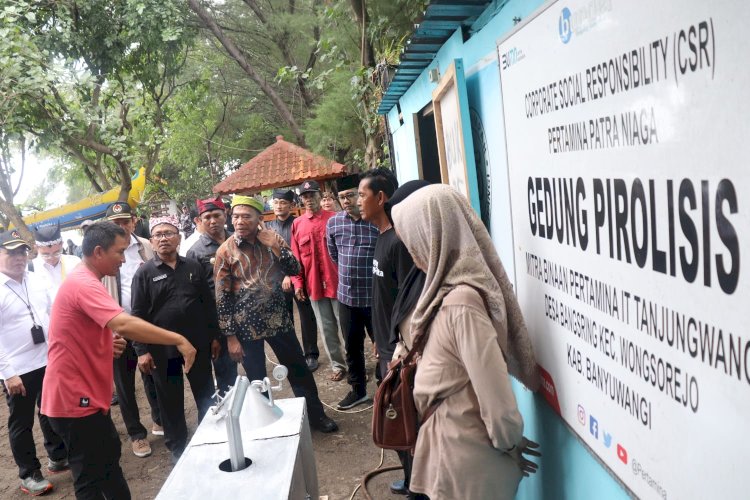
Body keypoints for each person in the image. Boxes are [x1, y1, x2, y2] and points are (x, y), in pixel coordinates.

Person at [391, 184, 541, 499]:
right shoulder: (439, 291)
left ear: (433, 235)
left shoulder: (461, 302)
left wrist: (510, 442)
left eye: (412, 237)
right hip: (446, 451)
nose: (410, 248)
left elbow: (497, 402)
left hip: (466, 466)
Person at [41, 221, 196, 500]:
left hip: (86, 396)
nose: (124, 260)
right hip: (73, 399)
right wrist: (178, 339)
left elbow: (80, 331)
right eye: (119, 252)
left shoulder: (89, 280)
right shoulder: (83, 283)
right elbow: (124, 323)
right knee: (90, 477)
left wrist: (102, 343)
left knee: (109, 463)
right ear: (99, 252)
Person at [214, 196, 338, 433]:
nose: (240, 221)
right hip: (246, 327)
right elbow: (222, 297)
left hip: (279, 320)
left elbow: (295, 270)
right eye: (236, 216)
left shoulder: (273, 239)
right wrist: (230, 337)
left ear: (259, 219)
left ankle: (316, 417)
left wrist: (276, 247)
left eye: (246, 216)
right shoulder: (225, 251)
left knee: (299, 370)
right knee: (258, 380)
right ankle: (266, 425)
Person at [131, 215, 219, 464]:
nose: (163, 238)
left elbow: (207, 304)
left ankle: (209, 435)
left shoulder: (193, 266)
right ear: (151, 241)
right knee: (170, 399)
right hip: (162, 349)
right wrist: (141, 351)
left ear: (179, 238)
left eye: (169, 233)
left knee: (205, 392)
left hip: (198, 344)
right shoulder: (145, 274)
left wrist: (214, 336)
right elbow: (137, 315)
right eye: (158, 235)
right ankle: (177, 445)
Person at [0, 230, 68, 496]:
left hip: (48, 359)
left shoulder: (35, 280)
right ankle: (28, 473)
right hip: (18, 369)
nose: (18, 258)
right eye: (11, 253)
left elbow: (53, 314)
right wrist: (7, 373)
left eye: (21, 252)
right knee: (21, 422)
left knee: (50, 410)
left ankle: (57, 456)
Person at [103, 202, 162, 458]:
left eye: (125, 221)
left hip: (147, 325)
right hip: (117, 329)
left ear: (134, 221)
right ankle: (137, 435)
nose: (121, 226)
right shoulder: (102, 252)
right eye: (115, 223)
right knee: (125, 385)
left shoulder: (146, 246)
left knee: (153, 374)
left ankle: (160, 420)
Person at [326, 173, 378, 409]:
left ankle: (387, 389)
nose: (345, 201)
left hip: (375, 299)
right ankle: (358, 391)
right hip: (346, 298)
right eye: (341, 197)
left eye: (350, 195)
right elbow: (334, 255)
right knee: (352, 347)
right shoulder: (334, 223)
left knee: (384, 345)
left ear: (361, 194)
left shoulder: (376, 220)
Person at [291, 180, 347, 381]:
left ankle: (354, 363)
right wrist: (298, 283)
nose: (309, 199)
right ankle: (338, 365)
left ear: (320, 196)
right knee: (326, 328)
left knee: (346, 325)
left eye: (312, 195)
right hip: (314, 285)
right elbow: (296, 260)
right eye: (305, 196)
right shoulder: (297, 224)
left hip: (339, 283)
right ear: (301, 199)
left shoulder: (335, 218)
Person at [266, 189, 320, 372]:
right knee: (284, 319)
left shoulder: (297, 224)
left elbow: (300, 254)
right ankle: (292, 355)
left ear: (291, 205)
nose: (280, 206)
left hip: (299, 276)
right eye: (277, 202)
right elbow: (268, 257)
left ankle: (311, 354)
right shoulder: (268, 228)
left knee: (306, 316)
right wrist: (281, 277)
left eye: (284, 203)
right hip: (277, 281)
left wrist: (291, 275)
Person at [186, 197, 236, 394]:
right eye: (207, 217)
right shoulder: (195, 253)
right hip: (218, 319)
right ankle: (230, 414)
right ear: (200, 220)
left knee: (254, 365)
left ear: (226, 215)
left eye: (217, 215)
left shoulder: (237, 239)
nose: (213, 220)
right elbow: (196, 294)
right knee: (225, 371)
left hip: (247, 313)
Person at [30, 224, 81, 300]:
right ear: (36, 248)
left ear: (62, 245)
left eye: (56, 253)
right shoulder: (29, 270)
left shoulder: (74, 262)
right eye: (45, 254)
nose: (51, 258)